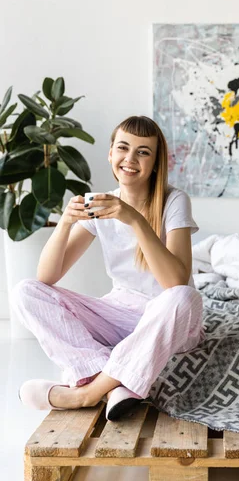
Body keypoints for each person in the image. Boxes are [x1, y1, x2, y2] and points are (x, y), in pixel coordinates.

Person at [11, 115, 205, 421]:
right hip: (118, 314)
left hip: (170, 318)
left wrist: (134, 219)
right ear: (111, 153)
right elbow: (46, 277)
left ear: (155, 163)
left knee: (185, 297)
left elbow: (176, 282)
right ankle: (108, 376)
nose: (130, 159)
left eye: (143, 152)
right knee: (26, 292)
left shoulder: (174, 201)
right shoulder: (99, 204)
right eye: (123, 148)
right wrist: (65, 222)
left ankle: (87, 393)